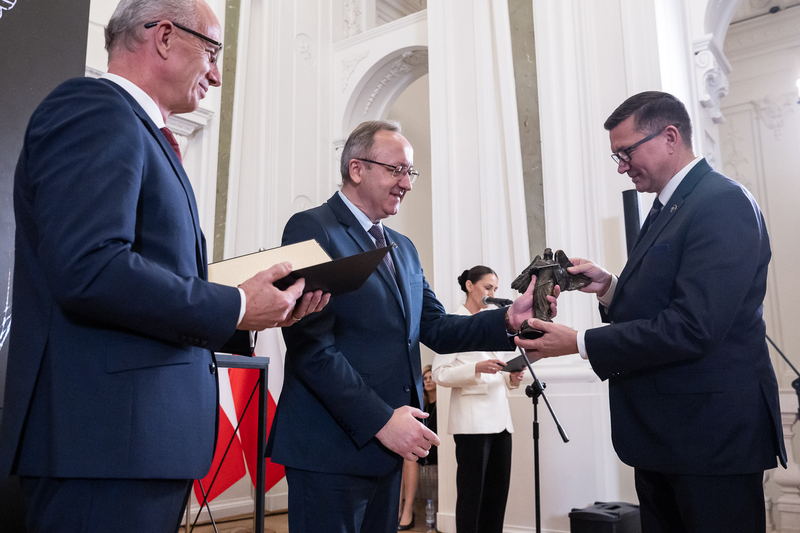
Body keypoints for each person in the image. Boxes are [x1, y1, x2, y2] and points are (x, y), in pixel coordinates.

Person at [0, 1, 328, 531]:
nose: (218, 75)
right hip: (102, 447)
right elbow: (91, 269)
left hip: (136, 445)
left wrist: (257, 309)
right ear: (165, 37)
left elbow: (143, 276)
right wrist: (238, 303)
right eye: (214, 51)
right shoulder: (94, 108)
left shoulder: (138, 130)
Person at [518, 91, 786, 532]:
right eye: (616, 156)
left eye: (626, 152)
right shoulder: (669, 206)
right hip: (669, 435)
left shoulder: (721, 202)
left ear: (669, 136)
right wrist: (609, 287)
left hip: (710, 437)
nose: (622, 166)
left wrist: (580, 343)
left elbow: (694, 326)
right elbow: (666, 303)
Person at [266, 120, 552, 533]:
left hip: (389, 447)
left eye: (410, 172)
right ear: (356, 168)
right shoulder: (312, 228)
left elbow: (435, 326)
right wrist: (382, 420)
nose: (408, 183)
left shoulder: (404, 247)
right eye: (397, 170)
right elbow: (312, 349)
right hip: (330, 447)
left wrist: (508, 319)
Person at [432, 266, 523, 533]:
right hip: (472, 423)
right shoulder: (454, 323)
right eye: (487, 287)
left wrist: (511, 377)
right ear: (470, 286)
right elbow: (440, 374)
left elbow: (499, 372)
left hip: (501, 421)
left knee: (497, 495)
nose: (492, 293)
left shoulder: (491, 322)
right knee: (472, 496)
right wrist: (476, 368)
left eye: (495, 288)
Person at [398, 364, 437, 531]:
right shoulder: (423, 406)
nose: (427, 381)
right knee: (402, 456)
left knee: (409, 458)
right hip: (421, 448)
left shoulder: (441, 406)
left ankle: (407, 512)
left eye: (430, 378)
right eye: (424, 379)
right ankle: (397, 510)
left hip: (436, 450)